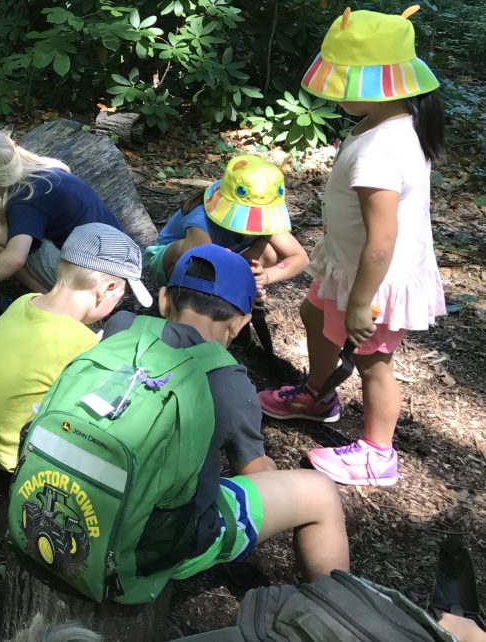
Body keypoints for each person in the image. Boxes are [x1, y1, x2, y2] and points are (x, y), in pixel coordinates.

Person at [258, 6, 446, 488]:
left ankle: (378, 455)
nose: (336, 92)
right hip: (350, 264)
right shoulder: (391, 124)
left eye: (345, 82)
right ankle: (318, 395)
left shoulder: (381, 151)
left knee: (374, 363)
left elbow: (382, 241)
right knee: (314, 314)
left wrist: (362, 302)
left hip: (375, 279)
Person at [104, 245, 349, 584]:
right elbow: (254, 474)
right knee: (320, 493)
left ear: (163, 300)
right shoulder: (226, 380)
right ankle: (338, 612)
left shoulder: (122, 326)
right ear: (241, 322)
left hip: (79, 502)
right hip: (146, 549)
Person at [0, 222, 151, 472]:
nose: (120, 303)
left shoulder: (24, 302)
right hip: (16, 457)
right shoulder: (84, 344)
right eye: (123, 296)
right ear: (107, 289)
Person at [0, 127, 121, 312]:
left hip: (98, 284)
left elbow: (15, 258)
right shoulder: (45, 173)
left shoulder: (26, 199)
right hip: (118, 270)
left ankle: (53, 303)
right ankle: (53, 297)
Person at [146, 154, 308, 300]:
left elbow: (300, 257)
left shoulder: (266, 220)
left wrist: (264, 276)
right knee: (186, 252)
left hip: (221, 263)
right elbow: (201, 266)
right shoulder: (200, 221)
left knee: (268, 252)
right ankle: (180, 298)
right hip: (179, 262)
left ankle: (227, 291)